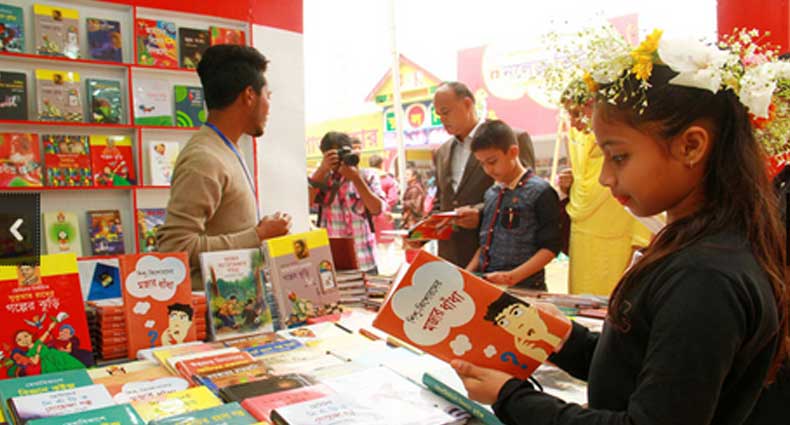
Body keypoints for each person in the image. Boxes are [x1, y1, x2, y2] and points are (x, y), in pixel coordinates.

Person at [451, 29, 788, 425]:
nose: (606, 177)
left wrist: (512, 397)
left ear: (691, 146)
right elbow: (640, 364)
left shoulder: (705, 276)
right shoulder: (696, 246)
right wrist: (561, 336)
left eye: (619, 157)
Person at [157, 45, 291, 289]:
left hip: (237, 302)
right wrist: (259, 235)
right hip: (213, 307)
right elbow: (175, 248)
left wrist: (261, 231)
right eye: (268, 96)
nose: (269, 106)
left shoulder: (225, 148)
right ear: (249, 95)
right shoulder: (204, 159)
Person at [560, 80, 653, 295]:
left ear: (595, 106)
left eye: (577, 113)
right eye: (569, 115)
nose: (573, 123)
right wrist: (569, 186)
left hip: (619, 239)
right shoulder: (579, 145)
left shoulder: (623, 145)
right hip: (583, 239)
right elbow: (584, 185)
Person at [432, 81, 536, 267]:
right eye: (438, 115)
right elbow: (442, 200)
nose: (442, 119)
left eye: (446, 112)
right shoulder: (442, 152)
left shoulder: (512, 138)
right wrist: (422, 232)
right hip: (450, 256)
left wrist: (481, 213)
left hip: (496, 254)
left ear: (467, 104)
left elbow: (522, 195)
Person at [465, 120, 561, 290]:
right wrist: (467, 273)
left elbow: (551, 248)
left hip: (526, 288)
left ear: (513, 152)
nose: (488, 170)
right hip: (490, 286)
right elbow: (485, 243)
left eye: (492, 161)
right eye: (482, 163)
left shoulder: (541, 191)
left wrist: (512, 276)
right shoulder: (491, 193)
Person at [308, 131, 385, 272]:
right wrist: (322, 170)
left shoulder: (367, 175)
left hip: (365, 258)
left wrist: (356, 178)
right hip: (332, 260)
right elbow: (305, 204)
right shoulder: (320, 177)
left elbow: (377, 209)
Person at [368, 154, 399, 244]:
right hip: (384, 215)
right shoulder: (387, 179)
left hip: (368, 215)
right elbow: (393, 199)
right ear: (381, 164)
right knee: (386, 246)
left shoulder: (365, 178)